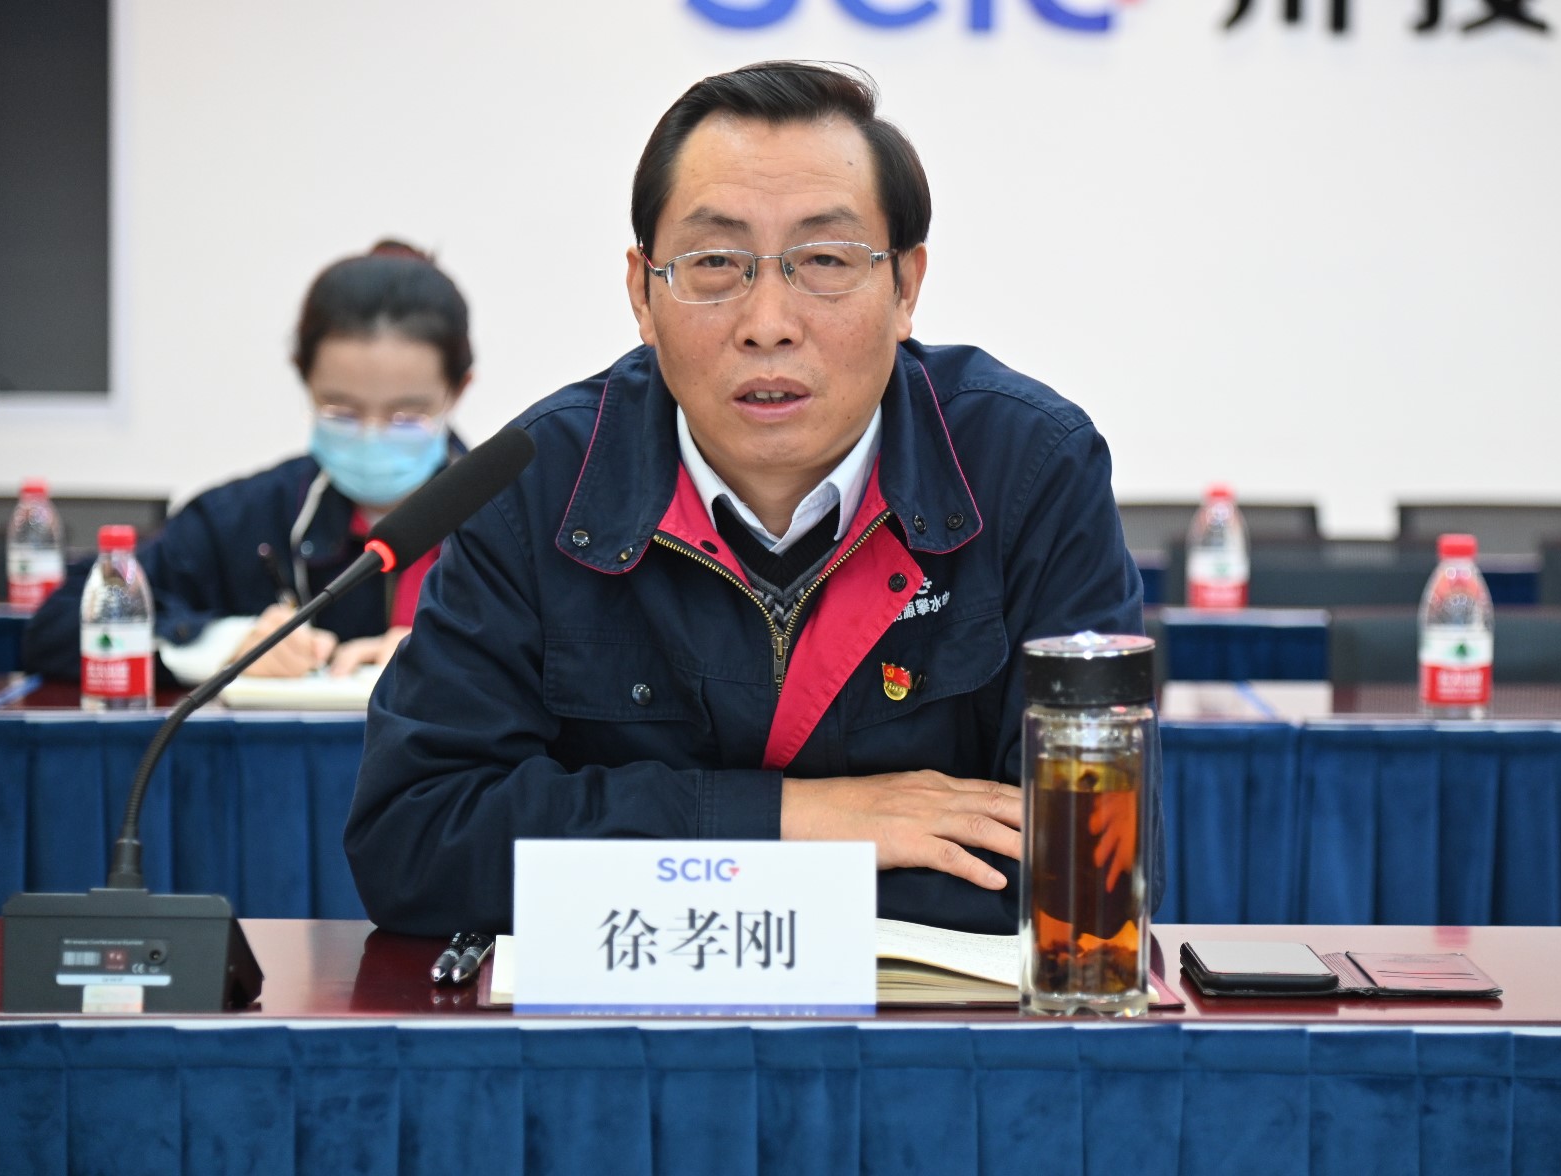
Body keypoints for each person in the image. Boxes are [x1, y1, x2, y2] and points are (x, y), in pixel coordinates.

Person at [346, 61, 1156, 937]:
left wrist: (660, 867)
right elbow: (418, 842)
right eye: (715, 263)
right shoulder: (538, 487)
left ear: (906, 288)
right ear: (642, 294)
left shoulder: (1026, 470)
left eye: (825, 261)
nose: (768, 323)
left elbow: (1090, 863)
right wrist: (793, 822)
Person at [23, 241, 474, 685]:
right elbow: (58, 626)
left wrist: (453, 661)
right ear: (305, 380)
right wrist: (227, 646)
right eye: (342, 411)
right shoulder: (241, 518)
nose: (372, 435)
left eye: (406, 416)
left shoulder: (507, 519)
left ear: (458, 390)